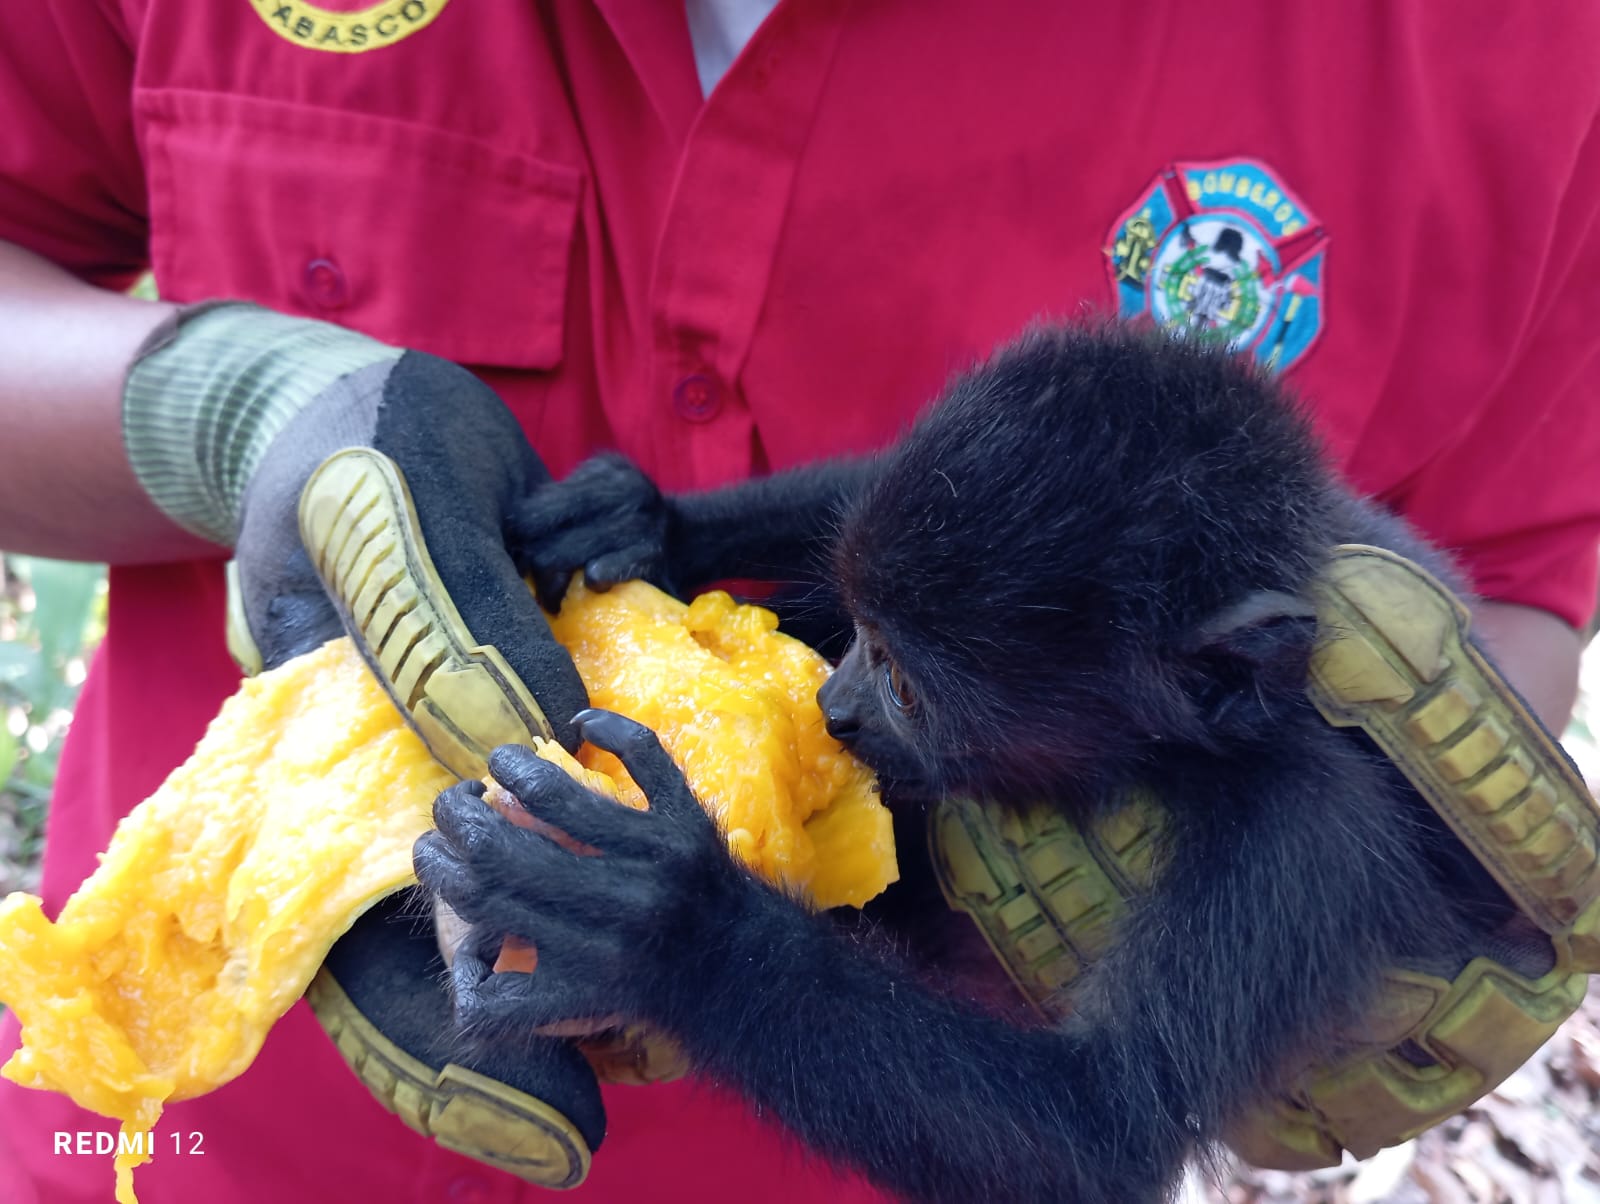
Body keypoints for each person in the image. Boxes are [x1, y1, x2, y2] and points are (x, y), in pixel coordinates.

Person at [1, 3, 1597, 1201]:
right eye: (870, 644)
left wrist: (716, 956)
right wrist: (236, 408)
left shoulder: (1293, 840)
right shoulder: (1041, 591)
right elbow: (882, 502)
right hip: (177, 1139)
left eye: (905, 681)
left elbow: (1088, 1151)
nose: (842, 700)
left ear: (1220, 686)